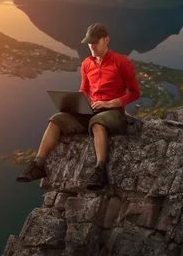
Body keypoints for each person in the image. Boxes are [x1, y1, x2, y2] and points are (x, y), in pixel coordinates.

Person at [16, 23, 141, 190]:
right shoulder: (87, 64)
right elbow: (84, 89)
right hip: (93, 111)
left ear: (107, 40)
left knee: (97, 123)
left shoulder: (122, 62)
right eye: (90, 43)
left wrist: (110, 103)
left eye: (96, 42)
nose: (93, 46)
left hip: (114, 113)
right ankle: (38, 165)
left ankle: (100, 170)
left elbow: (135, 93)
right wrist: (75, 103)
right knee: (56, 119)